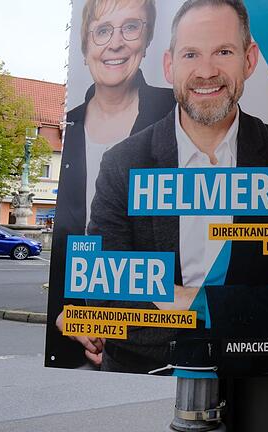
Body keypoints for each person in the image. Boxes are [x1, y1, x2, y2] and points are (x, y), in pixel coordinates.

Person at [83, 0, 268, 374]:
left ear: (249, 59)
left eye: (223, 52)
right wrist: (259, 307)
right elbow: (104, 298)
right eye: (191, 54)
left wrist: (197, 302)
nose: (206, 71)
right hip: (142, 379)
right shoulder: (122, 163)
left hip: (259, 385)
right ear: (169, 65)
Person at [46, 0, 175, 369]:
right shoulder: (69, 126)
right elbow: (67, 239)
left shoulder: (177, 112)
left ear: (147, 38)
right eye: (102, 30)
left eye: (130, 27)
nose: (115, 43)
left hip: (160, 335)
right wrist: (67, 314)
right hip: (83, 333)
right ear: (85, 45)